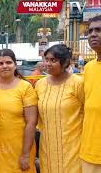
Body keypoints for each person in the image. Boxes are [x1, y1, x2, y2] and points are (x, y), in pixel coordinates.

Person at [0, 49, 38, 173]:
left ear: (15, 65)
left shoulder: (25, 87)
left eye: (8, 62)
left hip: (19, 148)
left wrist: (25, 154)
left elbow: (31, 122)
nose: (4, 66)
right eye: (0, 63)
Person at [36, 44, 84, 173]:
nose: (48, 64)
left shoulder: (77, 83)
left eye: (54, 60)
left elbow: (87, 112)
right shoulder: (40, 85)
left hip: (73, 147)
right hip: (47, 146)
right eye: (47, 60)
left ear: (65, 62)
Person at [80, 15, 101, 173]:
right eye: (90, 31)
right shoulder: (88, 68)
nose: (93, 34)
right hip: (90, 151)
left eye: (99, 30)